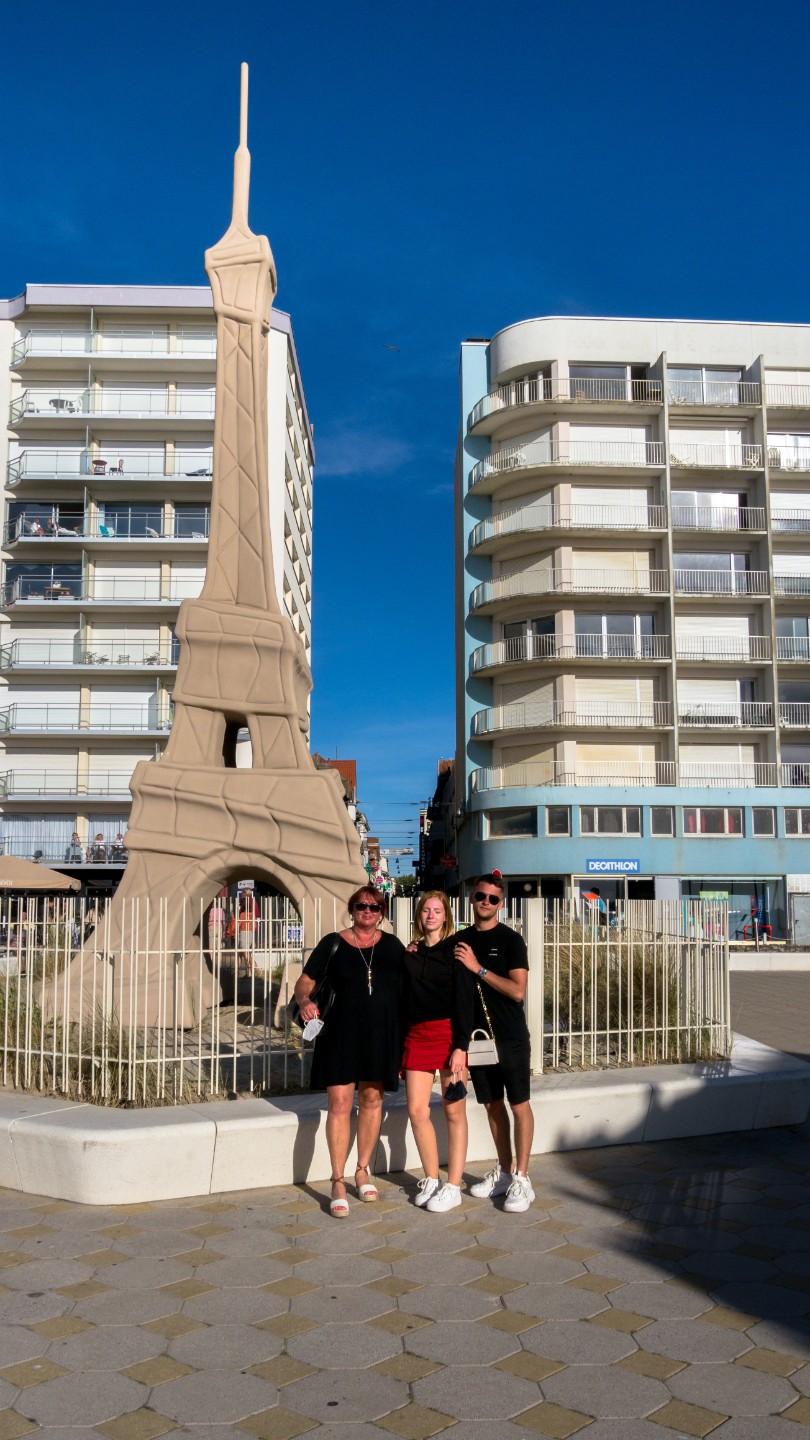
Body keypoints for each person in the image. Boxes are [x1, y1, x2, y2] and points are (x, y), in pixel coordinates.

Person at [293, 885, 405, 1218]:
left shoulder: (393, 946)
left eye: (374, 907)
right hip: (339, 1036)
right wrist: (304, 1000)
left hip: (379, 1037)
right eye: (361, 906)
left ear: (381, 913)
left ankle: (362, 1170)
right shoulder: (333, 942)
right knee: (339, 1104)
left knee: (371, 1100)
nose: (367, 911)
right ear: (351, 909)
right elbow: (304, 982)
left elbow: (410, 984)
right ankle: (338, 1180)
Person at [454, 872, 535, 1213]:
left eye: (492, 898)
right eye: (480, 896)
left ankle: (522, 1178)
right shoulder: (460, 940)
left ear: (501, 904)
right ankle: (504, 1171)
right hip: (479, 1040)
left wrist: (479, 969)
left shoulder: (511, 940)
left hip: (510, 1037)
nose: (485, 902)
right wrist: (415, 947)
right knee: (492, 1105)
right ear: (471, 898)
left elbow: (517, 991)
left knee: (519, 1105)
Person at [402, 891, 473, 1213]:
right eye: (426, 910)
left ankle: (453, 1186)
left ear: (446, 916)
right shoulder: (411, 954)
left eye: (437, 910)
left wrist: (461, 1046)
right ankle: (431, 1178)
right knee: (417, 1111)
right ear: (419, 915)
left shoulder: (457, 951)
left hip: (449, 1036)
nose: (431, 915)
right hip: (417, 1036)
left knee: (454, 1112)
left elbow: (464, 1001)